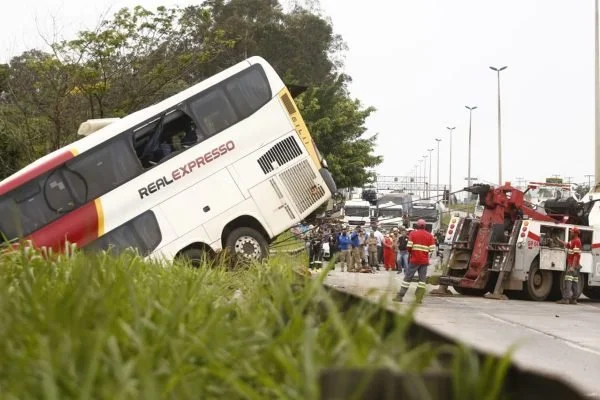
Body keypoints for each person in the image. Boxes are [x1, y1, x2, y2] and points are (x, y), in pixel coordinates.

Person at [393, 219, 436, 304]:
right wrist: (426, 255)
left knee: (407, 278)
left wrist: (412, 252)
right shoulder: (429, 236)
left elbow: (409, 247)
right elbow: (432, 249)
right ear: (425, 226)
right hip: (424, 261)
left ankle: (400, 296)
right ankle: (419, 298)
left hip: (414, 260)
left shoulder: (413, 234)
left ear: (417, 226)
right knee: (422, 281)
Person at [557, 227, 582, 305]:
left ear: (575, 233)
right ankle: (574, 299)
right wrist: (559, 240)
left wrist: (572, 267)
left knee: (568, 281)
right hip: (575, 265)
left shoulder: (577, 241)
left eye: (572, 232)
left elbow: (576, 255)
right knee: (574, 282)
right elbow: (567, 244)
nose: (570, 233)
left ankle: (566, 299)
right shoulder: (573, 241)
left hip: (572, 265)